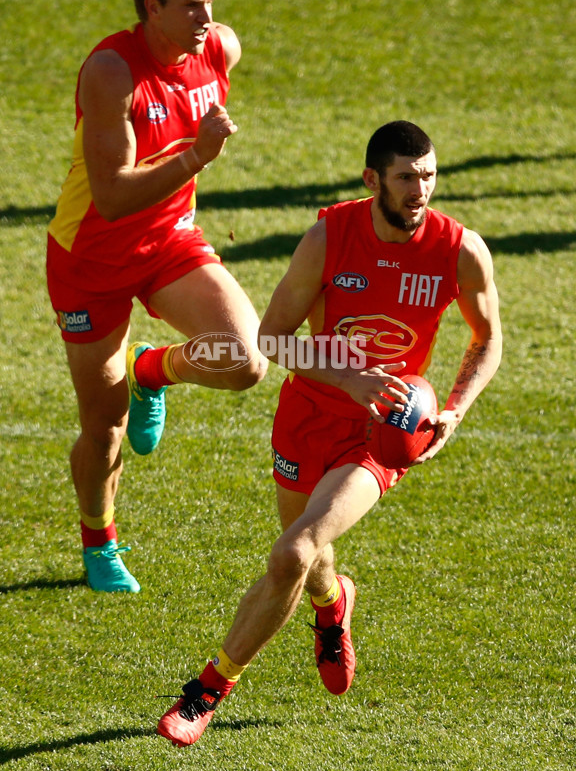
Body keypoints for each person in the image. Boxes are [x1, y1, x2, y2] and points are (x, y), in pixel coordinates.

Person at [156, 120, 503, 747]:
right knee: (308, 558)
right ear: (373, 180)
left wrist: (453, 408)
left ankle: (205, 692)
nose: (419, 191)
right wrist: (351, 379)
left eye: (427, 176)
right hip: (308, 417)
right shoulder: (329, 237)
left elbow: (487, 338)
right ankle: (332, 603)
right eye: (405, 178)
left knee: (292, 551)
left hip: (382, 434)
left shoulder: (460, 251)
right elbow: (272, 338)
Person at [46, 0, 266, 593]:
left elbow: (217, 46)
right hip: (92, 260)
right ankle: (99, 541)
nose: (207, 15)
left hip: (170, 240)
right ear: (151, 9)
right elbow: (111, 198)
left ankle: (152, 370)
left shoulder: (220, 49)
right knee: (104, 425)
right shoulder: (111, 72)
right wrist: (198, 155)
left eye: (210, 2)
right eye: (191, 4)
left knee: (244, 360)